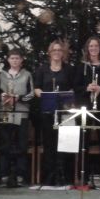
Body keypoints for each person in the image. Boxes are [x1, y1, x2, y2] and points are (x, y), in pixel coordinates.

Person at [73, 36, 100, 187]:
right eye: (91, 46)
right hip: (84, 107)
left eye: (96, 46)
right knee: (83, 141)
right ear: (87, 49)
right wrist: (86, 88)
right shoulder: (81, 66)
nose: (93, 49)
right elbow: (75, 86)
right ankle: (82, 176)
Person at [33, 39, 75, 185]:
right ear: (49, 52)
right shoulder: (42, 69)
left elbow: (73, 88)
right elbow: (36, 88)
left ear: (63, 53)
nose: (57, 52)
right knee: (49, 144)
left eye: (59, 50)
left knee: (66, 143)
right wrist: (46, 96)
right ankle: (50, 176)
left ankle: (65, 176)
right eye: (54, 50)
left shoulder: (69, 69)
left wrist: (66, 96)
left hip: (65, 112)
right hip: (48, 111)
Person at [0, 48, 34, 186]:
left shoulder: (27, 74)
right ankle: (4, 174)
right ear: (8, 60)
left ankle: (20, 175)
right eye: (12, 58)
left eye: (17, 58)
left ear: (22, 60)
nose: (15, 60)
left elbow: (31, 94)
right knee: (5, 143)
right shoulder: (1, 75)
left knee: (21, 144)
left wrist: (18, 98)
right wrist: (2, 96)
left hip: (21, 113)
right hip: (5, 112)